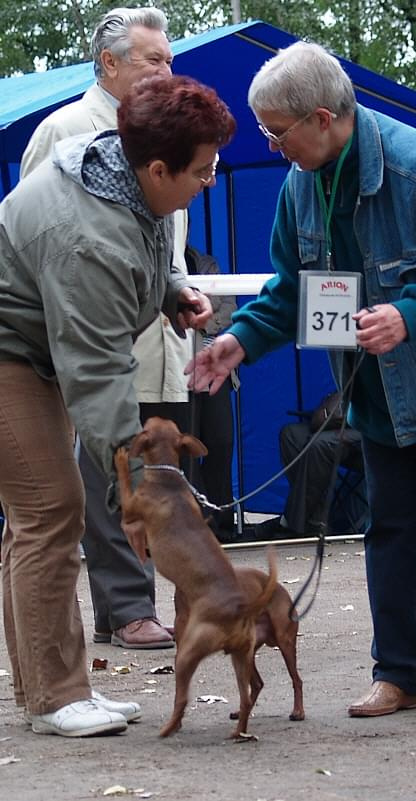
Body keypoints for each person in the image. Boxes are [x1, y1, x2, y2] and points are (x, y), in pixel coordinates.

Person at [186, 41, 416, 718]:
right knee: (387, 526)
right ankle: (397, 673)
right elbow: (291, 292)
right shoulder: (298, 186)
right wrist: (237, 341)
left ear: (320, 118)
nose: (271, 146)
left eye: (276, 132)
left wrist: (408, 313)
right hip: (375, 389)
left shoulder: (414, 167)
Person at [0, 73, 234, 736]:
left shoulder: (129, 178)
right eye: (203, 170)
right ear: (158, 168)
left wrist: (170, 291)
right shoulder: (86, 238)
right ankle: (54, 697)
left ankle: (51, 688)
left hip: (38, 347)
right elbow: (99, 373)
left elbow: (147, 245)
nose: (210, 180)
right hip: (11, 354)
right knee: (51, 509)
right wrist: (142, 488)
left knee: (34, 516)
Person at [20, 7, 191, 649]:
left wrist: (175, 288)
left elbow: (165, 238)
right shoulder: (63, 130)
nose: (166, 71)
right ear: (110, 63)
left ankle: (142, 602)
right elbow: (42, 239)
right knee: (97, 470)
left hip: (150, 331)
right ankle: (126, 608)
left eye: (171, 60)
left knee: (154, 460)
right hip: (78, 337)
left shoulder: (166, 134)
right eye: (153, 60)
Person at [253, 392, 365, 539]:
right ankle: (313, 520)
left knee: (319, 444)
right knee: (292, 435)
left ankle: (290, 522)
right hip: (350, 417)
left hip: (374, 431)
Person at [184, 244, 238, 541]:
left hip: (216, 370)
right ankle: (200, 524)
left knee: (221, 442)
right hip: (180, 374)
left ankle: (222, 520)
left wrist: (200, 324)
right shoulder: (162, 263)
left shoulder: (207, 264)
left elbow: (229, 310)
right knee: (188, 448)